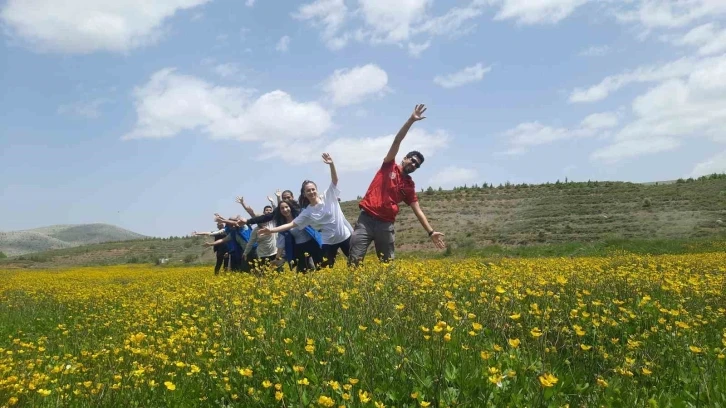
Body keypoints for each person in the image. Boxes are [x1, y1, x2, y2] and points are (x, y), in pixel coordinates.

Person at [348, 104, 445, 266]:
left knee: (388, 265)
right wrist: (411, 121)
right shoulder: (389, 165)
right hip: (366, 220)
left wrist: (431, 232)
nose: (414, 165)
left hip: (386, 225)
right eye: (412, 160)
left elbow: (418, 211)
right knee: (354, 262)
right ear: (405, 158)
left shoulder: (409, 185)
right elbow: (397, 140)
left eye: (417, 165)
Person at [259, 153, 353, 268]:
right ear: (304, 194)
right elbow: (291, 224)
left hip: (345, 237)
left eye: (313, 189)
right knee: (326, 269)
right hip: (328, 242)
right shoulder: (307, 212)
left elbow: (335, 180)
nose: (311, 192)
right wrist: (271, 230)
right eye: (308, 190)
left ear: (316, 190)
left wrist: (331, 164)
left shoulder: (328, 195)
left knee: (355, 264)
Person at [273, 199, 323, 272]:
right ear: (280, 211)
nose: (285, 209)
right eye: (282, 208)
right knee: (305, 271)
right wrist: (277, 258)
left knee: (320, 266)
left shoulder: (300, 215)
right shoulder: (282, 226)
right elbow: (281, 244)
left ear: (290, 207)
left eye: (286, 207)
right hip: (300, 248)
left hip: (312, 243)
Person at [243, 205, 277, 273]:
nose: (262, 221)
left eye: (270, 210)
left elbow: (277, 211)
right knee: (263, 273)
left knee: (274, 273)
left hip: (274, 253)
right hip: (262, 255)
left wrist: (275, 200)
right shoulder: (255, 230)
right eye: (260, 220)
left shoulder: (272, 224)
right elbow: (250, 243)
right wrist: (245, 253)